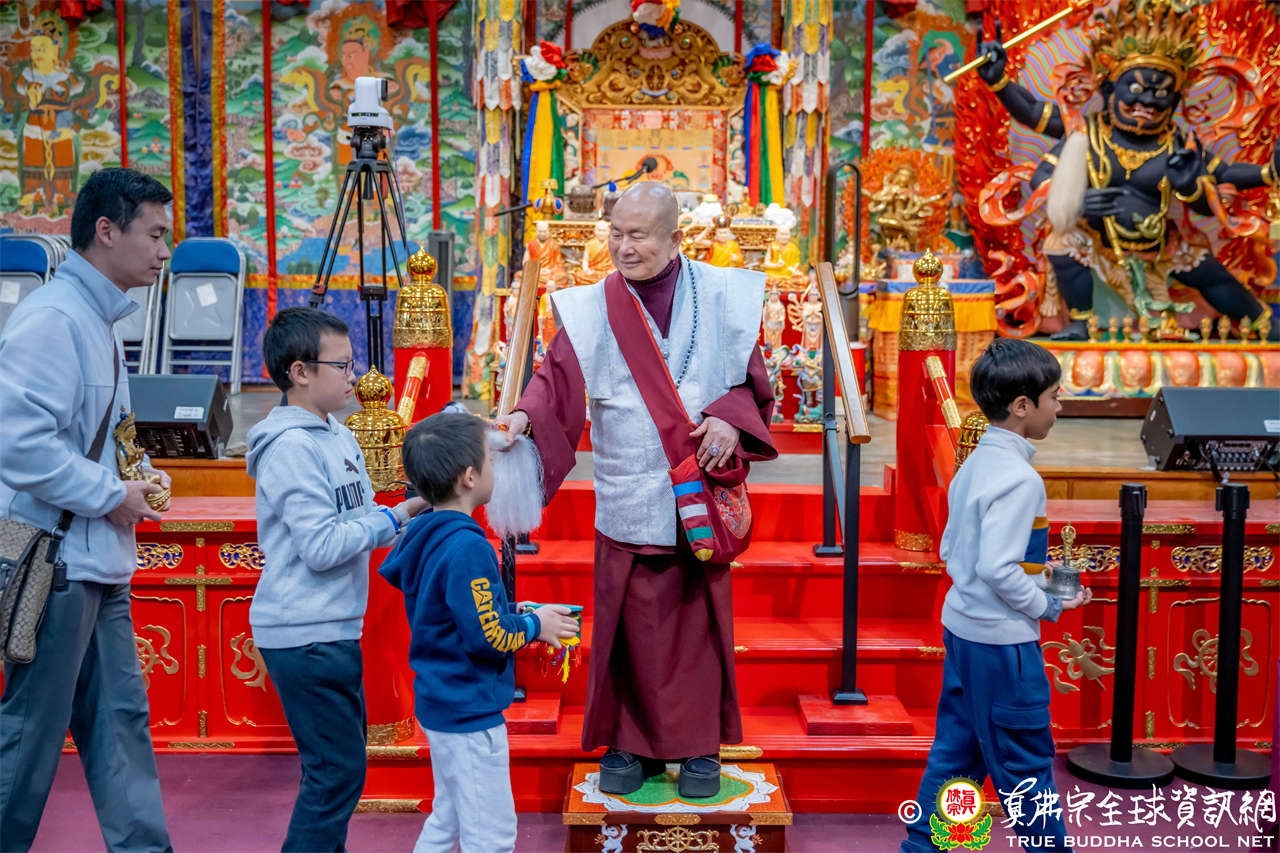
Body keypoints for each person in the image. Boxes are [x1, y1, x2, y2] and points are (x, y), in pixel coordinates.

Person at [496, 181, 778, 799]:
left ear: (674, 238)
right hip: (628, 487)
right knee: (628, 625)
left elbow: (753, 383)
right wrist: (520, 418)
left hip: (696, 491)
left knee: (696, 628)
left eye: (638, 236)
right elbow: (555, 379)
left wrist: (730, 420)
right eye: (616, 234)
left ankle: (700, 748)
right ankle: (628, 744)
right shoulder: (591, 305)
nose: (623, 247)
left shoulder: (724, 295)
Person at [0, 167, 174, 851]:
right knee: (30, 737)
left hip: (94, 559)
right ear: (106, 231)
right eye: (154, 235)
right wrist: (110, 493)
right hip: (59, 563)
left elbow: (95, 437)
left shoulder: (96, 317)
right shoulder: (55, 318)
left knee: (120, 723)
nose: (164, 252)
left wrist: (135, 476)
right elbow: (19, 445)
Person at [246, 307, 427, 852]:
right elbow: (323, 546)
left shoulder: (338, 436)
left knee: (336, 772)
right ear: (300, 372)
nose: (355, 376)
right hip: (304, 631)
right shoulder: (291, 447)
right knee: (336, 775)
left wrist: (415, 512)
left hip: (334, 626)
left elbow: (365, 519)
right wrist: (398, 515)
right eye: (342, 365)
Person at [900, 338, 1092, 853]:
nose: (1059, 407)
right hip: (1002, 646)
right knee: (1026, 768)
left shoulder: (974, 464)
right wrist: (1047, 603)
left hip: (964, 631)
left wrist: (1036, 576)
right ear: (1022, 406)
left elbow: (957, 549)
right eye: (1055, 397)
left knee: (956, 759)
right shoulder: (1021, 479)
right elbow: (997, 567)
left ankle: (924, 847)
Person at [379, 412, 579, 853]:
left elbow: (455, 611)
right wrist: (535, 625)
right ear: (469, 477)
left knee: (448, 817)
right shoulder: (468, 546)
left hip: (441, 701)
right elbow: (488, 636)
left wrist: (516, 611)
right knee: (491, 834)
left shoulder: (428, 531)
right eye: (490, 460)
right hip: (468, 709)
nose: (495, 468)